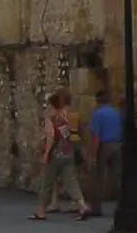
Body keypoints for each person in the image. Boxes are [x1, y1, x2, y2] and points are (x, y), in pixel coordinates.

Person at [29, 90, 91, 221]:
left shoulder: (50, 117)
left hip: (55, 154)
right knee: (71, 181)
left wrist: (46, 153)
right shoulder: (66, 116)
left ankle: (41, 211)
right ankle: (82, 206)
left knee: (47, 182)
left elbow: (51, 136)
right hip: (68, 151)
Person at [87, 90, 123, 217]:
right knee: (117, 177)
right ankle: (122, 204)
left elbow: (96, 136)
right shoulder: (116, 113)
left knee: (96, 177)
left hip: (104, 146)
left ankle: (96, 208)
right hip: (118, 145)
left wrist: (93, 155)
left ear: (97, 100)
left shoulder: (98, 114)